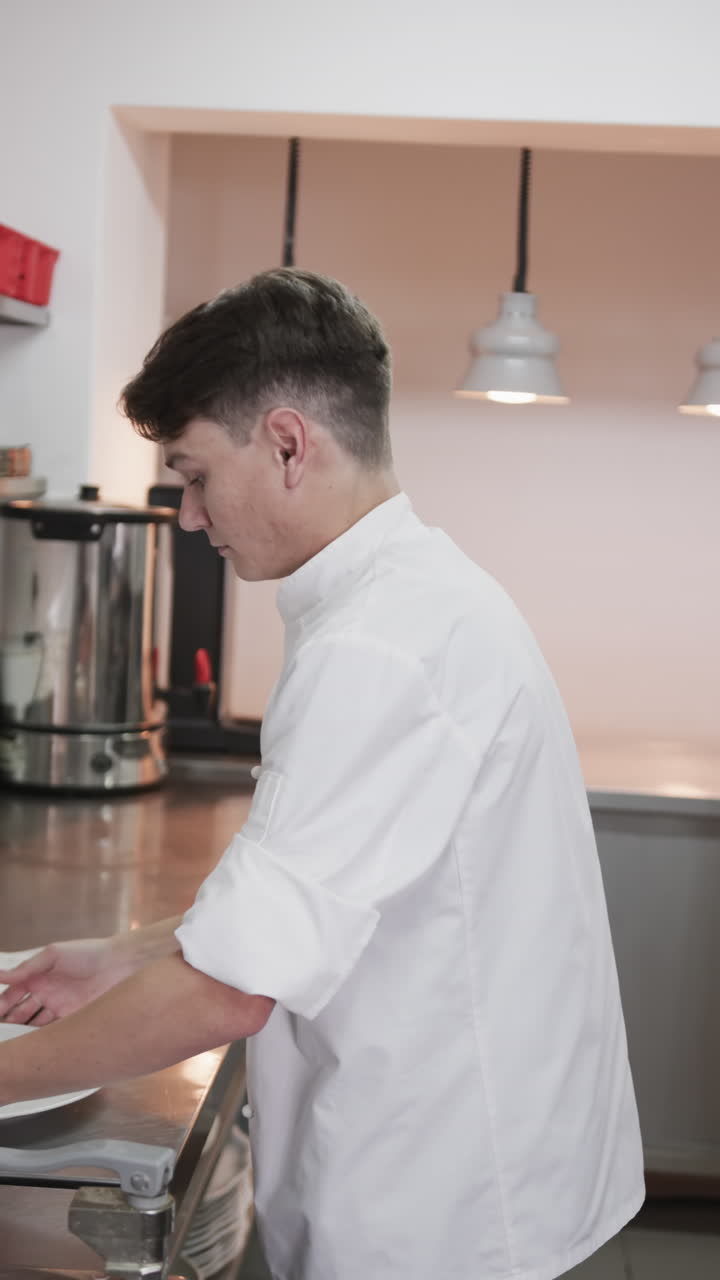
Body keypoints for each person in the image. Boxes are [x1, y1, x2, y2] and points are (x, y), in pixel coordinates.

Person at [0, 269, 644, 1280]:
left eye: (198, 474)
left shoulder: (380, 647)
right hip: (479, 1186)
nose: (191, 515)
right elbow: (324, 898)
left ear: (290, 443)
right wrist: (119, 956)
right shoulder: (411, 599)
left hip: (448, 1219)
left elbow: (224, 994)